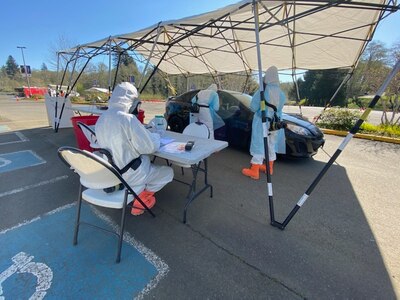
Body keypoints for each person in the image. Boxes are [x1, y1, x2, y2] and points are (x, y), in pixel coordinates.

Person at [95, 82, 174, 215]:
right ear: (131, 103)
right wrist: (155, 135)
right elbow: (149, 147)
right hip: (132, 174)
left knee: (144, 163)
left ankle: (122, 185)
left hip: (113, 172)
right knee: (168, 173)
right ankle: (141, 198)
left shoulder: (101, 120)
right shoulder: (128, 119)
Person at [242, 66, 286, 180]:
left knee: (259, 144)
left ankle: (254, 170)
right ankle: (269, 168)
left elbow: (253, 107)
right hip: (275, 123)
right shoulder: (281, 94)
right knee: (271, 144)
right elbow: (279, 109)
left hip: (262, 121)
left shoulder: (262, 91)